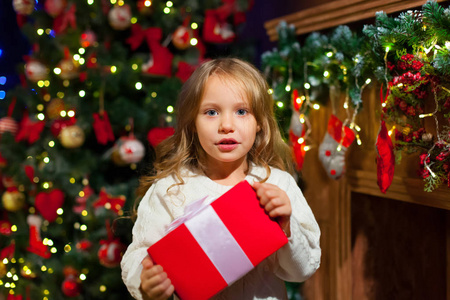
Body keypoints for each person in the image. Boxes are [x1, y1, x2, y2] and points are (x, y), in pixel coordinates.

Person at [121, 58, 321, 300]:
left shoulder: (279, 185)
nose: (227, 125)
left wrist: (287, 226)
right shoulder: (171, 190)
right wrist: (145, 280)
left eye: (241, 111)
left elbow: (304, 268)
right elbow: (138, 255)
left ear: (259, 122)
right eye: (211, 112)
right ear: (192, 123)